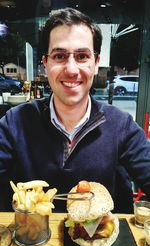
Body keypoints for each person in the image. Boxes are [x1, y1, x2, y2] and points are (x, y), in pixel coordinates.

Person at [0, 8, 150, 213]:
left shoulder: (121, 126)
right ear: (45, 63)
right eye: (60, 55)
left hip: (105, 242)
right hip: (31, 240)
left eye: (82, 56)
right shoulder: (13, 123)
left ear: (96, 63)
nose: (71, 69)